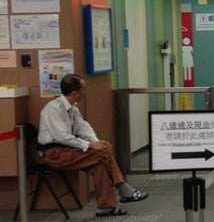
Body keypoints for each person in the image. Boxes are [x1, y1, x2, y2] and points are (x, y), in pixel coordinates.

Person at [38, 74, 148, 217]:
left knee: (99, 164)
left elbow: (83, 128)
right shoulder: (53, 109)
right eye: (83, 90)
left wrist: (97, 143)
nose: (85, 93)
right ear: (74, 93)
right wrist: (91, 146)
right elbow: (62, 137)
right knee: (102, 154)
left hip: (68, 150)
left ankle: (105, 207)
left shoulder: (73, 108)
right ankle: (123, 188)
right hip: (53, 154)